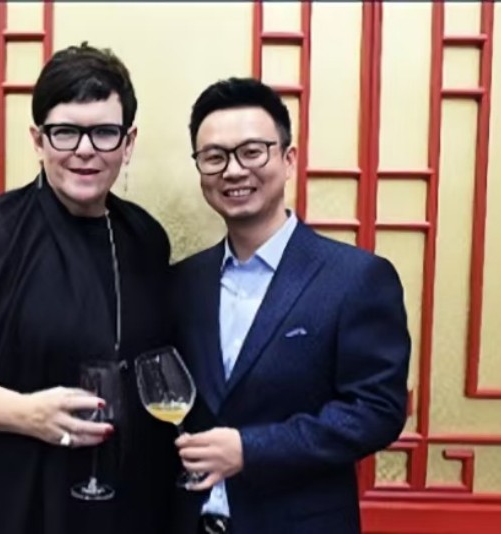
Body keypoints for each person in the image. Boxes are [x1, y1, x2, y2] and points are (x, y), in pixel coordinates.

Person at [0, 43, 174, 534]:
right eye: (66, 132)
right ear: (38, 141)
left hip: (125, 501)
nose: (85, 149)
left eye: (105, 132)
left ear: (128, 143)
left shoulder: (144, 236)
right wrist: (27, 414)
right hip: (18, 502)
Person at [170, 77, 411, 534]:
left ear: (288, 159)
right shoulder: (183, 281)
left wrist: (251, 449)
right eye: (214, 157)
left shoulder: (356, 278)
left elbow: (377, 410)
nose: (233, 171)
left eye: (252, 152)